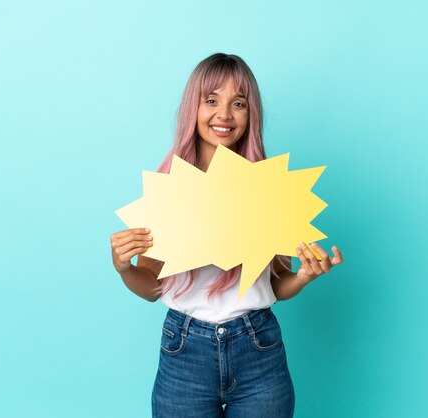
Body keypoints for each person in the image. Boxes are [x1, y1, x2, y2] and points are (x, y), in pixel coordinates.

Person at [110, 53, 343, 418]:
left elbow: (275, 286)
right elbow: (151, 288)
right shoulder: (169, 189)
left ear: (251, 115)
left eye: (239, 103)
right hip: (184, 351)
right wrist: (125, 268)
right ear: (193, 108)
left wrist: (303, 276)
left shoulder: (267, 188)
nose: (224, 114)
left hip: (258, 349)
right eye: (212, 100)